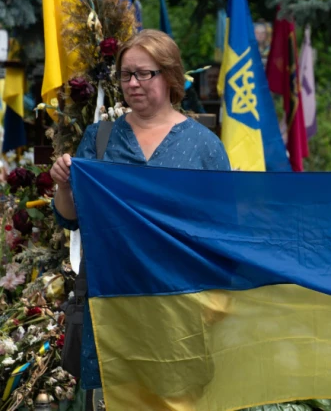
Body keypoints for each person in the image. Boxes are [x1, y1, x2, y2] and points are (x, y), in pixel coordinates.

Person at [50, 29, 230, 394]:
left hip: (181, 308)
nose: (132, 83)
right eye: (125, 74)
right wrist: (64, 184)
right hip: (113, 306)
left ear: (170, 76)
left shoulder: (204, 147)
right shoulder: (99, 138)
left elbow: (225, 231)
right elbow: (69, 218)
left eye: (144, 73)